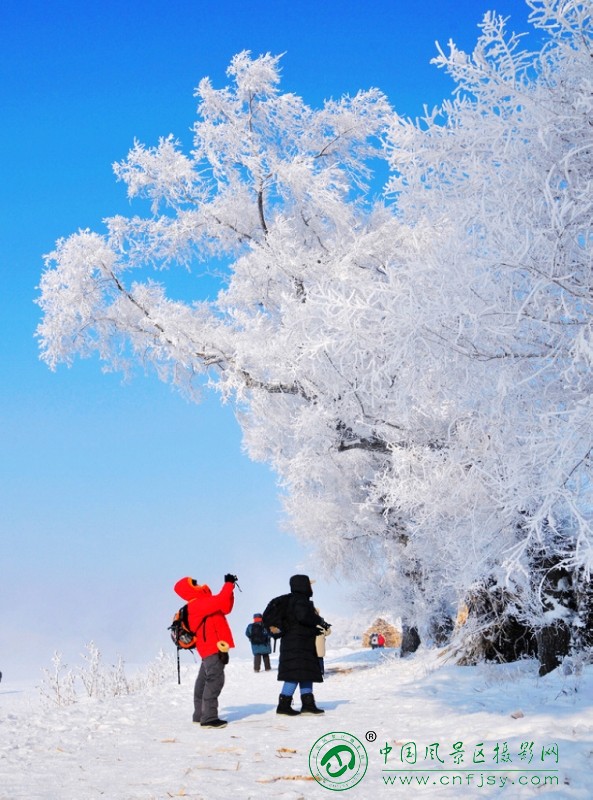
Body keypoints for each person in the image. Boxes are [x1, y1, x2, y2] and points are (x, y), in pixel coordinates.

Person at [174, 573, 237, 729]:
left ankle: (199, 714)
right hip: (212, 646)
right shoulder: (197, 604)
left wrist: (231, 588)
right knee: (215, 679)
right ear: (189, 589)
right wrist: (228, 584)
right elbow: (221, 600)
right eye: (194, 583)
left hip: (209, 646)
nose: (199, 584)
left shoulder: (202, 603)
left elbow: (225, 607)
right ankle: (209, 718)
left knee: (204, 679)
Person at [274, 574, 331, 716]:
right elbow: (304, 617)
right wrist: (319, 621)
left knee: (306, 673)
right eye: (309, 585)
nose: (311, 588)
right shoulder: (299, 601)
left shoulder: (294, 601)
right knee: (294, 674)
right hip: (297, 644)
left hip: (300, 643)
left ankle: (308, 705)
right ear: (303, 585)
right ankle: (284, 705)